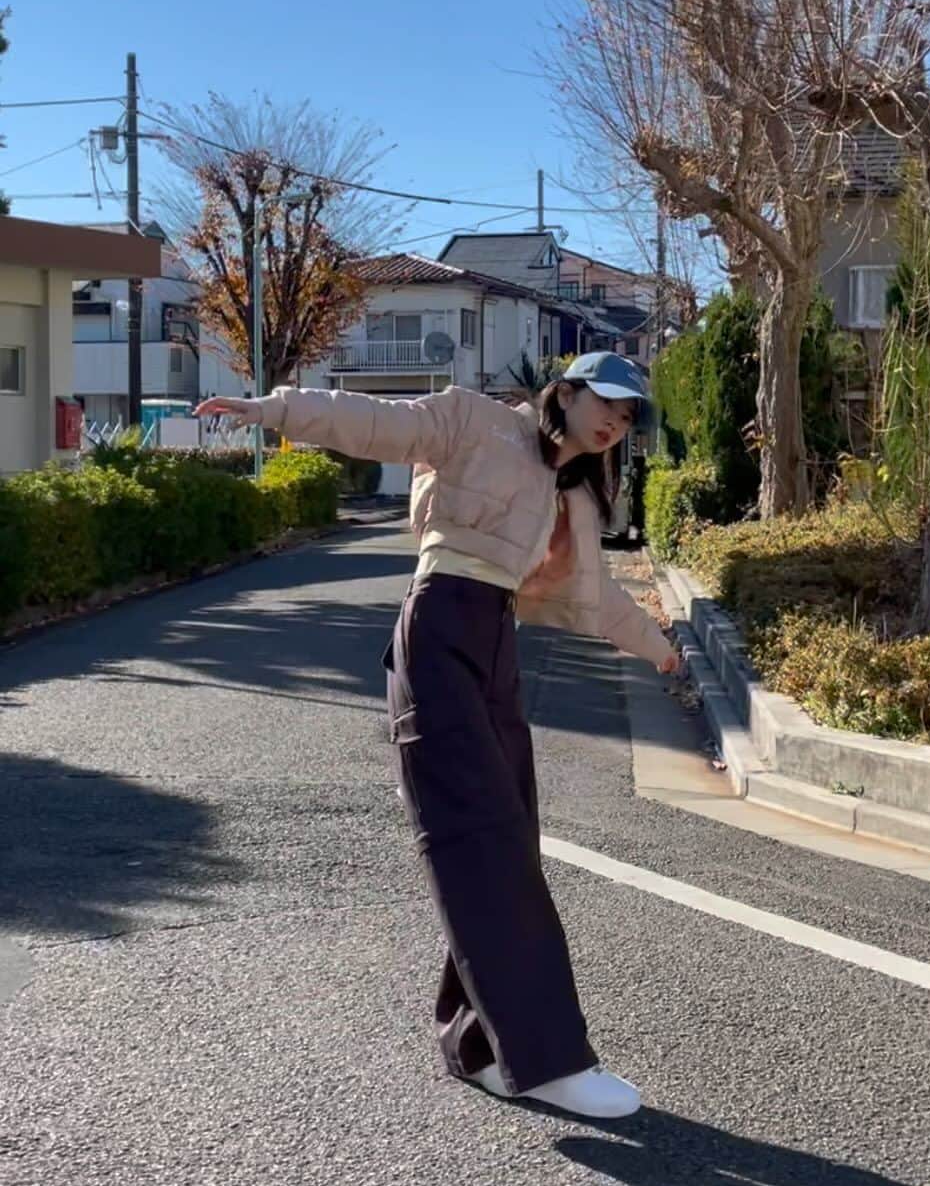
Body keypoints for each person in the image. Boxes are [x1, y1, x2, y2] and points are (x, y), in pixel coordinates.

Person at [196, 351, 677, 1119]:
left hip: (495, 648)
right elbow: (375, 422)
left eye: (626, 418)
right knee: (482, 839)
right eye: (606, 404)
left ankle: (479, 1046)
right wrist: (272, 409)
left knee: (511, 837)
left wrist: (662, 651)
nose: (614, 424)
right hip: (439, 631)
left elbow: (599, 599)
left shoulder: (570, 494)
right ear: (565, 391)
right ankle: (548, 1060)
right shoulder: (474, 421)